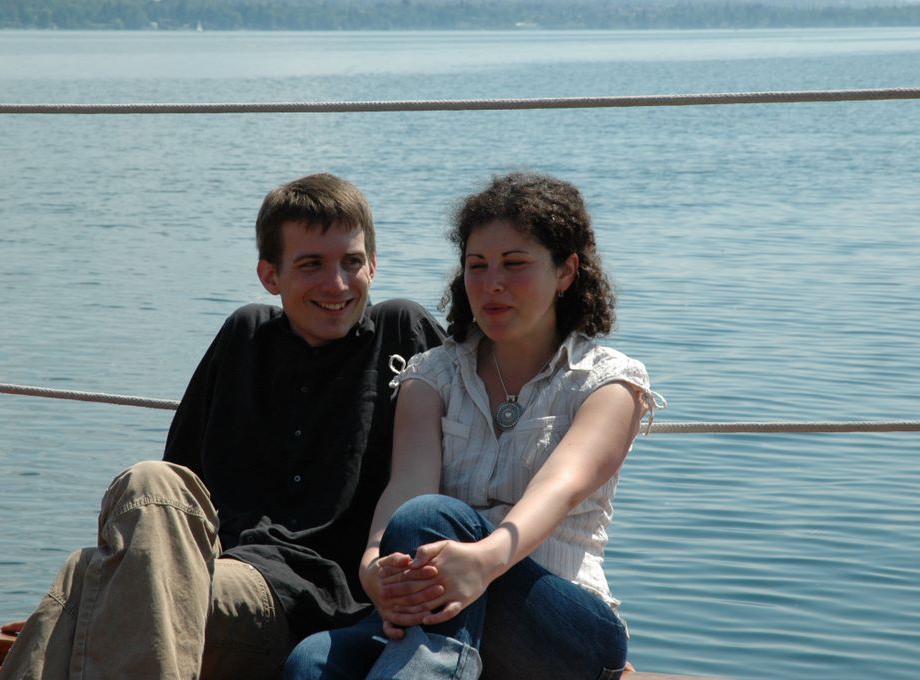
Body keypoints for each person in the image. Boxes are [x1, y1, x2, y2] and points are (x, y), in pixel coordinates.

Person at [0, 173, 445, 680]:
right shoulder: (244, 336)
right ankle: (89, 611)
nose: (337, 284)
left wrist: (87, 609)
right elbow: (174, 496)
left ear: (374, 265)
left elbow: (476, 427)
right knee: (149, 482)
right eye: (311, 265)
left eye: (352, 262)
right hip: (208, 569)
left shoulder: (400, 332)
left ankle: (76, 617)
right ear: (270, 275)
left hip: (304, 599)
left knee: (88, 581)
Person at [283, 172, 663, 680]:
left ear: (566, 272)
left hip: (562, 626)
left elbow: (559, 489)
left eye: (514, 264)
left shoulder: (607, 383)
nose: (492, 283)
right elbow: (407, 485)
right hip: (442, 605)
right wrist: (373, 566)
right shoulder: (432, 376)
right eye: (477, 266)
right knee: (311, 662)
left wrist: (482, 562)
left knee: (432, 516)